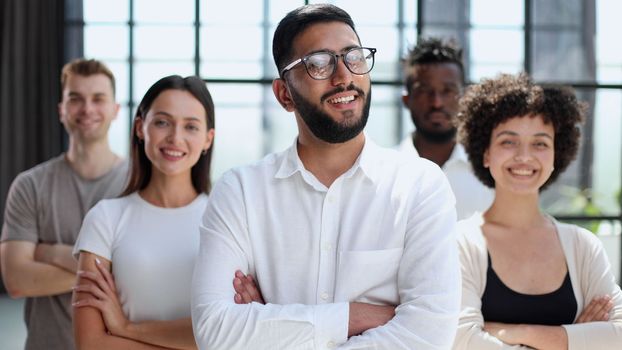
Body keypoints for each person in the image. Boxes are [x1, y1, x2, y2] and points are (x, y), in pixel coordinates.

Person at [191, 4, 460, 349]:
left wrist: (275, 326)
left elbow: (428, 334)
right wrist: (354, 316)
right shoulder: (241, 191)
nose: (344, 76)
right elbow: (215, 331)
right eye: (319, 64)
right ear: (284, 94)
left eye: (354, 57)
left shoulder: (421, 185)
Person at [453, 73, 622, 349]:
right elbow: (462, 341)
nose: (524, 156)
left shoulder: (583, 246)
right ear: (485, 152)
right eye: (508, 141)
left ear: (557, 154)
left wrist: (513, 332)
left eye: (540, 143)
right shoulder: (459, 242)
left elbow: (617, 336)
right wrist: (573, 339)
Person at [71, 75, 215, 349]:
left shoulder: (226, 219)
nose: (175, 137)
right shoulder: (105, 219)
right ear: (140, 127)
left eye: (191, 127)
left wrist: (125, 329)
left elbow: (231, 332)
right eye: (162, 122)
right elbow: (90, 344)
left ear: (208, 139)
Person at [0, 58, 127, 350]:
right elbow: (18, 280)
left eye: (98, 99)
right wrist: (106, 272)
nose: (87, 109)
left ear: (115, 110)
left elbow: (137, 279)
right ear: (62, 110)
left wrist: (49, 252)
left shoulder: (137, 185)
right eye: (75, 99)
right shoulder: (30, 185)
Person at [400, 37, 493, 219]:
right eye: (424, 91)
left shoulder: (491, 173)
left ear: (465, 97)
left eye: (448, 91)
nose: (437, 102)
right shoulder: (384, 174)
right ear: (406, 100)